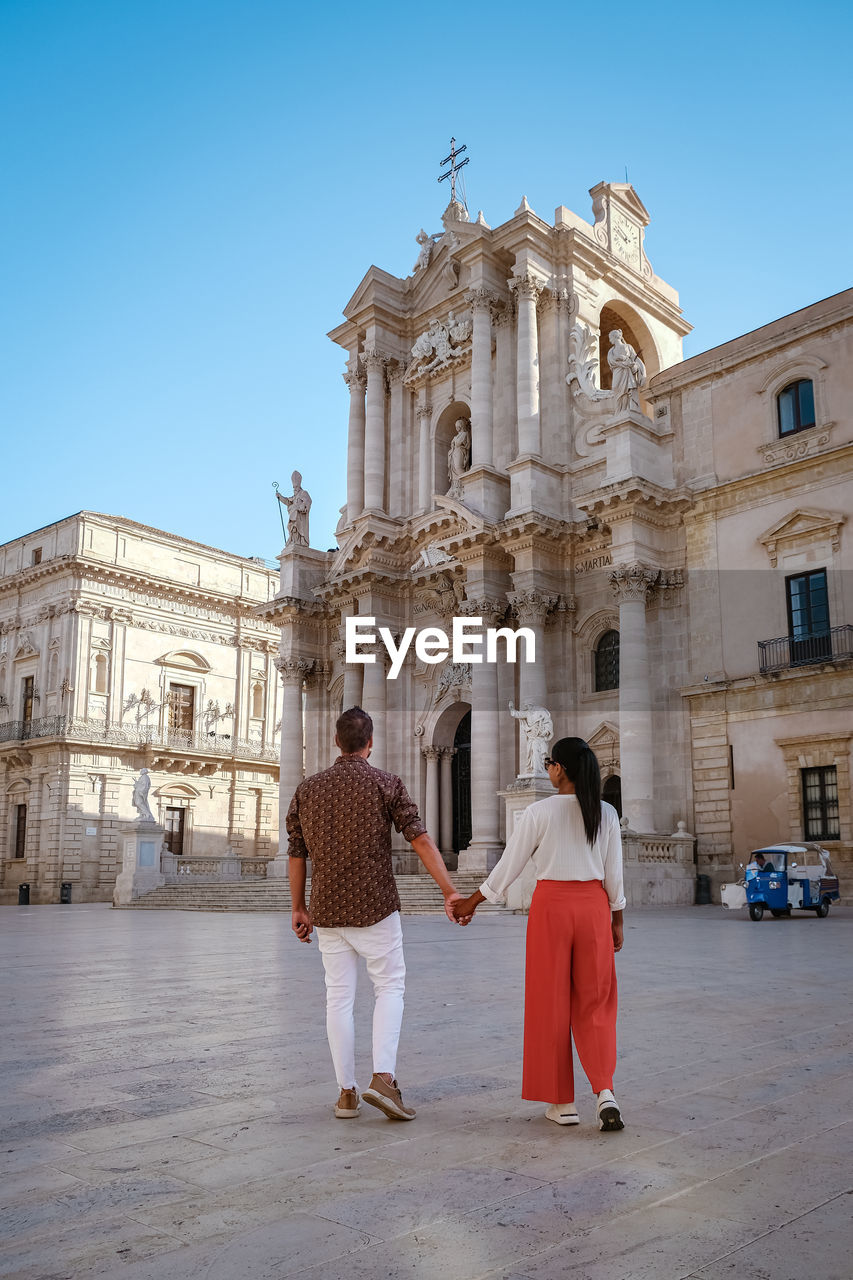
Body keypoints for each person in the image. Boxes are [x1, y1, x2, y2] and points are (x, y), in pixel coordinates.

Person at [286, 706, 465, 1122]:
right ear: (370, 743)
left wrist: (298, 906)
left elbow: (297, 853)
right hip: (376, 907)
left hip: (328, 910)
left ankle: (346, 1094)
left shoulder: (308, 790)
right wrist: (449, 890)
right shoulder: (385, 783)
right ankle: (383, 1077)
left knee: (339, 998)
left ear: (336, 742)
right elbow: (419, 839)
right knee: (389, 988)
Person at [452, 737, 626, 1132]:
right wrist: (617, 921)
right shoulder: (606, 814)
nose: (547, 768)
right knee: (596, 1000)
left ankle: (562, 1103)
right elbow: (614, 875)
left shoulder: (538, 812)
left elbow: (508, 866)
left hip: (551, 908)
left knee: (549, 1001)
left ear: (559, 769)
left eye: (550, 762)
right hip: (594, 907)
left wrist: (472, 902)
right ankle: (605, 1092)